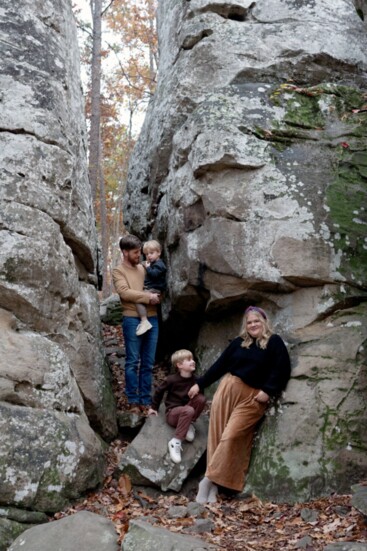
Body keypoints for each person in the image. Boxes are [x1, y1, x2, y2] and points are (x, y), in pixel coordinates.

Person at [188, 306, 291, 504]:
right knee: (217, 435)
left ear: (264, 322)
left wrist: (268, 390)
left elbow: (282, 368)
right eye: (249, 322)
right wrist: (199, 384)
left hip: (252, 397)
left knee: (232, 435)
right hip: (228, 389)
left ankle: (207, 480)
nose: (253, 325)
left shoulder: (274, 342)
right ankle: (214, 487)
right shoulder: (238, 343)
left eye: (256, 321)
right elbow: (219, 366)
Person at [112, 234, 160, 414]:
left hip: (153, 318)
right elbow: (125, 293)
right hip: (132, 319)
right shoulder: (118, 271)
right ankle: (133, 401)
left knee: (148, 363)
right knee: (133, 361)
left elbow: (154, 284)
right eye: (135, 252)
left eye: (139, 251)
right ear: (125, 252)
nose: (139, 255)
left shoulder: (143, 268)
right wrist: (148, 297)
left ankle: (145, 401)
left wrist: (156, 295)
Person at [148, 349, 207, 464]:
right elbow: (159, 391)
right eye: (189, 360)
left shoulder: (197, 380)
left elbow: (199, 398)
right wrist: (154, 407)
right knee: (189, 410)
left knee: (201, 399)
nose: (193, 361)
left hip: (187, 411)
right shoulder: (172, 379)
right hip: (173, 413)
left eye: (193, 359)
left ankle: (188, 424)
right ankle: (175, 441)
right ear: (179, 365)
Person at [136, 240, 167, 336]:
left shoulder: (160, 264)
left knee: (138, 299)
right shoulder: (153, 263)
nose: (149, 256)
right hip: (150, 288)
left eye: (152, 253)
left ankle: (144, 320)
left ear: (159, 253)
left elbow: (154, 275)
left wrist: (148, 268)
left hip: (155, 290)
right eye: (146, 254)